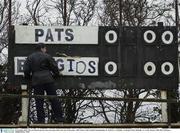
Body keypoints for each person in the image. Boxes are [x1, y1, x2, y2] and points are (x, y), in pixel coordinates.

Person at [24, 43, 64, 124]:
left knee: (39, 101)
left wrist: (29, 77)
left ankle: (41, 121)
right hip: (48, 79)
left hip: (36, 81)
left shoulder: (30, 57)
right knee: (53, 99)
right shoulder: (47, 56)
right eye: (45, 48)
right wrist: (56, 75)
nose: (46, 50)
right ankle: (59, 118)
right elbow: (54, 67)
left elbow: (26, 70)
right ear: (42, 48)